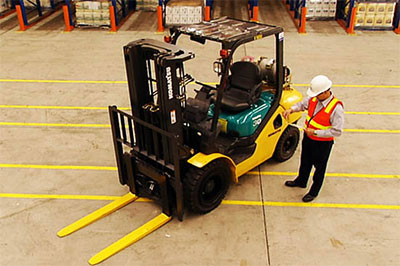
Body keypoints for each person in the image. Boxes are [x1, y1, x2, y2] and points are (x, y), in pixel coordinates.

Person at [282, 75, 344, 202]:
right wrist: (291, 110)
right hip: (308, 138)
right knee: (305, 161)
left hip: (322, 144)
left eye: (318, 94)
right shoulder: (313, 99)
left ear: (326, 91)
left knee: (319, 168)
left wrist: (315, 132)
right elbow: (302, 105)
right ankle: (301, 181)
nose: (315, 96)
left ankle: (314, 191)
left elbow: (337, 131)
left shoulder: (336, 108)